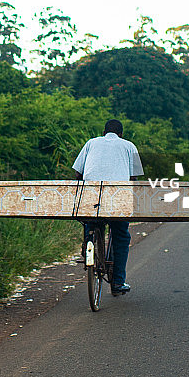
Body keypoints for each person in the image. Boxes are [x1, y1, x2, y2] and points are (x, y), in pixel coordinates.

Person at [72, 118, 144, 297]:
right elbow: (134, 178)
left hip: (92, 196)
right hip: (117, 198)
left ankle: (88, 242)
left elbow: (78, 172)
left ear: (103, 133)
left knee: (90, 221)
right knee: (121, 235)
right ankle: (118, 282)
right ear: (121, 134)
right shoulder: (129, 146)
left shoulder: (91, 143)